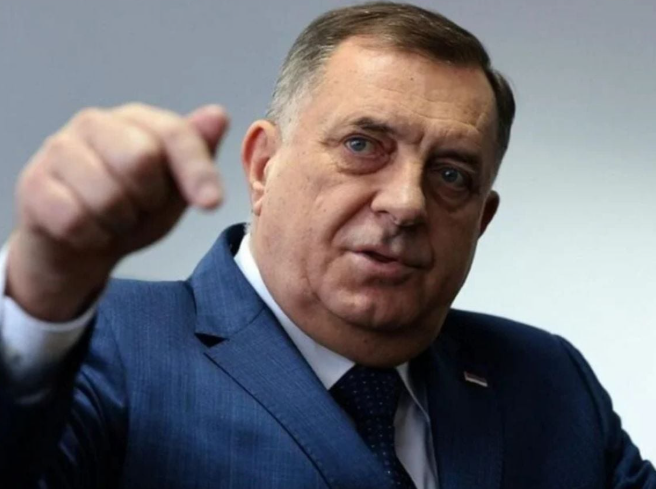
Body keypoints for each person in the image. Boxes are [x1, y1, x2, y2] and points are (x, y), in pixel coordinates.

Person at [0, 2, 653, 488]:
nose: (406, 203)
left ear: (481, 220)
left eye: (451, 174)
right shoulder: (102, 344)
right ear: (263, 166)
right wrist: (44, 285)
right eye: (363, 145)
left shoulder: (548, 382)